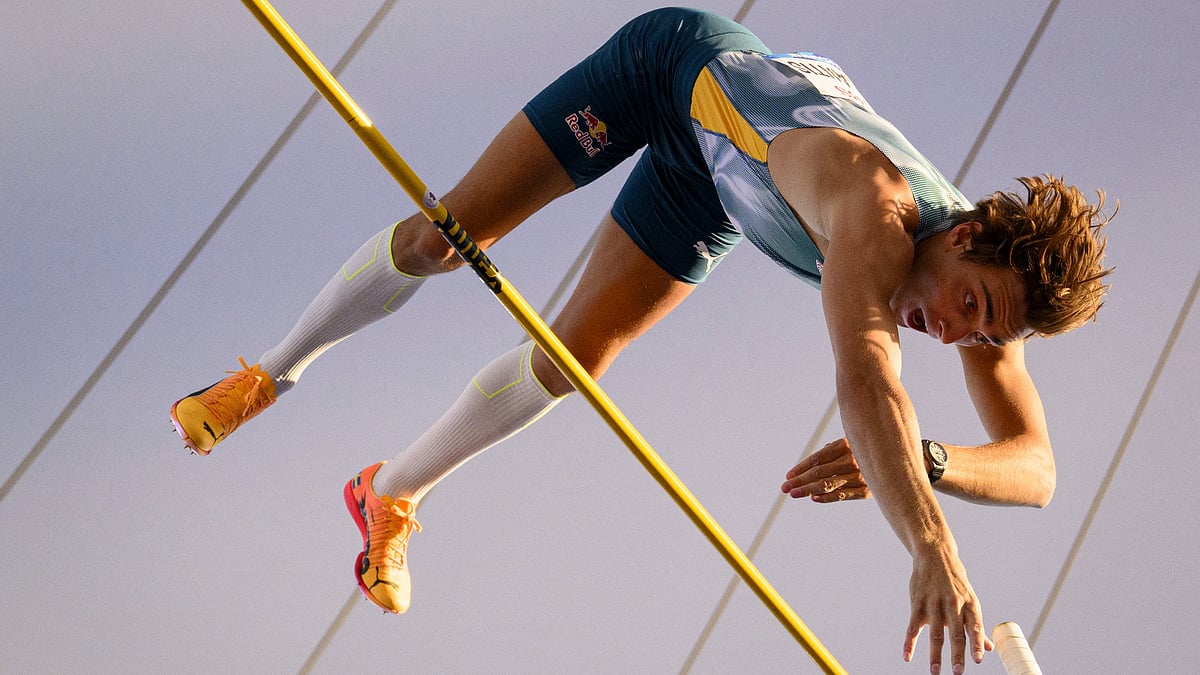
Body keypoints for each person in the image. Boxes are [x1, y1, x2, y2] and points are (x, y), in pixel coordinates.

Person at [170, 8, 1111, 673]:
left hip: (712, 187)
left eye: (981, 331)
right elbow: (868, 377)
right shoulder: (878, 209)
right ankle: (268, 376)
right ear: (968, 234)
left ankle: (387, 491)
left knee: (569, 361)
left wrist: (932, 459)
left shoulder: (988, 296)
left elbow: (1038, 470)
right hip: (671, 73)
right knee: (446, 238)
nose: (954, 332)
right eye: (970, 306)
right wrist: (931, 548)